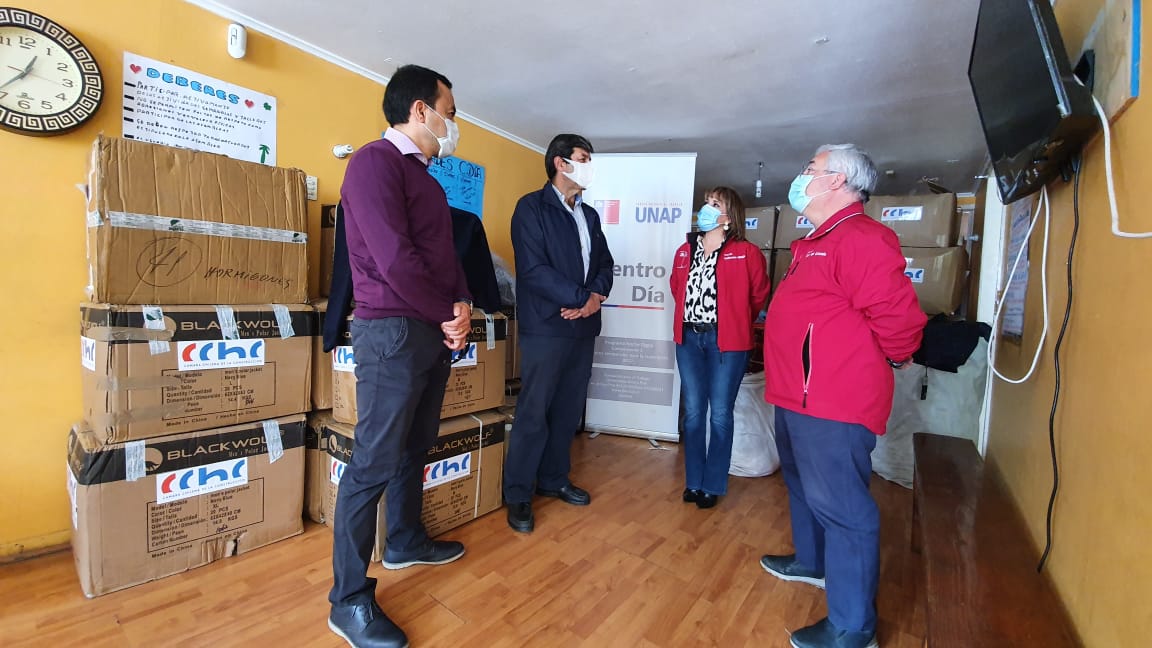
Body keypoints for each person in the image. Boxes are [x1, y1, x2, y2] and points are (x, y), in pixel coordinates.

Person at [328, 64, 474, 648]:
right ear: (421, 110)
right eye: (450, 112)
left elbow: (443, 257)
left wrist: (462, 304)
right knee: (373, 462)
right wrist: (445, 312)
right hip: (391, 330)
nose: (453, 124)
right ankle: (347, 601)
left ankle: (405, 540)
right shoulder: (373, 163)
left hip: (428, 328)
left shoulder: (425, 178)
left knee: (416, 444)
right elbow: (394, 259)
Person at [759, 144, 926, 648]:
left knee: (844, 508)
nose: (801, 176)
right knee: (802, 484)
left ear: (836, 180)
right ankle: (813, 562)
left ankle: (854, 627)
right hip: (796, 395)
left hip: (833, 401)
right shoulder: (816, 240)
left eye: (810, 168)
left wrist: (895, 356)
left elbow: (900, 321)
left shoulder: (861, 237)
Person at [504, 133, 614, 533]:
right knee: (534, 411)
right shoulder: (530, 208)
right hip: (546, 327)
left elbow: (605, 263)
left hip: (583, 327)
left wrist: (594, 298)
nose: (590, 166)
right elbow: (534, 270)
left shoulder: (591, 216)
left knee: (568, 409)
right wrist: (582, 298)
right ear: (560, 163)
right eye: (584, 158)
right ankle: (518, 493)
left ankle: (553, 479)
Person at [670, 187, 770, 509]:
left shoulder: (746, 252)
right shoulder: (685, 250)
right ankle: (694, 481)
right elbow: (676, 288)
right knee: (694, 413)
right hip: (689, 339)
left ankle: (712, 484)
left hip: (727, 342)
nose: (707, 208)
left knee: (721, 414)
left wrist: (734, 320)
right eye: (707, 202)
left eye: (716, 204)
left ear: (730, 215)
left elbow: (758, 295)